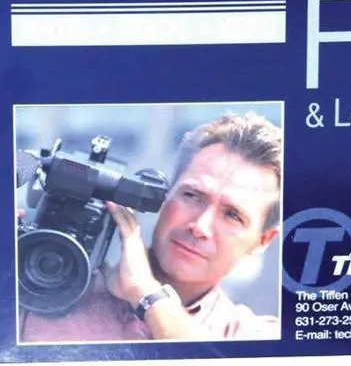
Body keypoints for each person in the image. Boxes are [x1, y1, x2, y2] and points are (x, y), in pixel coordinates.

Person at [20, 112, 282, 342]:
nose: (200, 227)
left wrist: (144, 292)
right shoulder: (33, 288)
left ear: (264, 240)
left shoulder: (256, 335)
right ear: (165, 196)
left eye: (232, 215)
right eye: (192, 196)